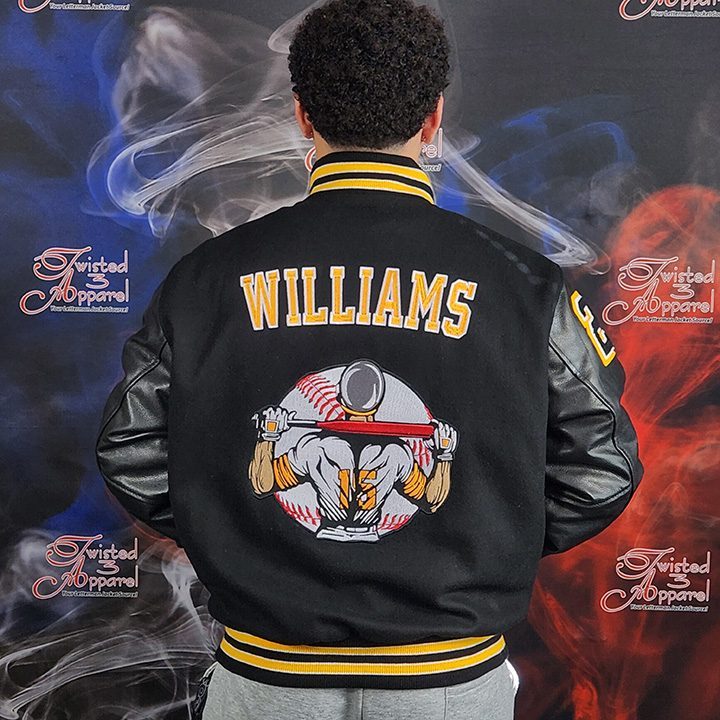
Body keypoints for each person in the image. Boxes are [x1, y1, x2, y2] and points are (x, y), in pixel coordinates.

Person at [94, 0, 644, 718]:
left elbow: (130, 448)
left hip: (266, 680)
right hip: (449, 685)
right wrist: (487, 538)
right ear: (433, 118)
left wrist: (232, 533)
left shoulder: (206, 279)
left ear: (302, 116)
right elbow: (602, 465)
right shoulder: (525, 285)